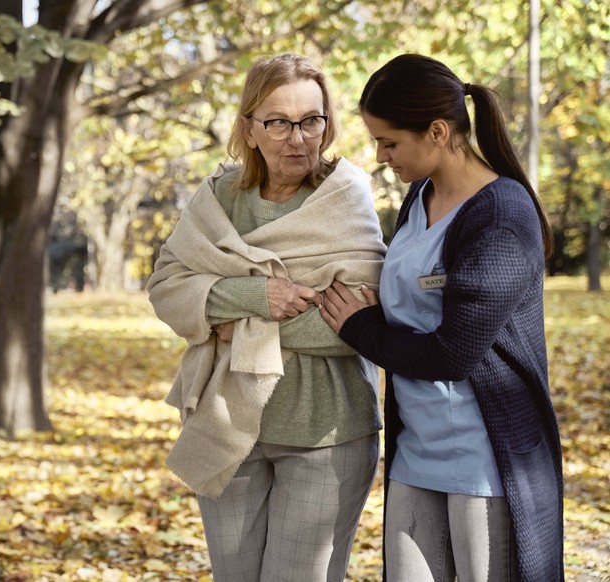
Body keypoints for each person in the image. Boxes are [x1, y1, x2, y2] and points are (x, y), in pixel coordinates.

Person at [318, 54, 564, 582]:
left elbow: (451, 354)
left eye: (389, 142)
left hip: (485, 464)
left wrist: (359, 328)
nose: (380, 156)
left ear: (436, 131)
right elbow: (410, 300)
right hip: (415, 455)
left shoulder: (500, 217)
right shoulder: (420, 195)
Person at [146, 54, 387, 581]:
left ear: (327, 123)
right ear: (249, 129)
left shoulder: (344, 198)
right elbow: (166, 286)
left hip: (327, 432)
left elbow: (357, 318)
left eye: (311, 120)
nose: (297, 138)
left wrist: (224, 317)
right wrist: (260, 298)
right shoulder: (218, 199)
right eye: (277, 121)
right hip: (227, 425)